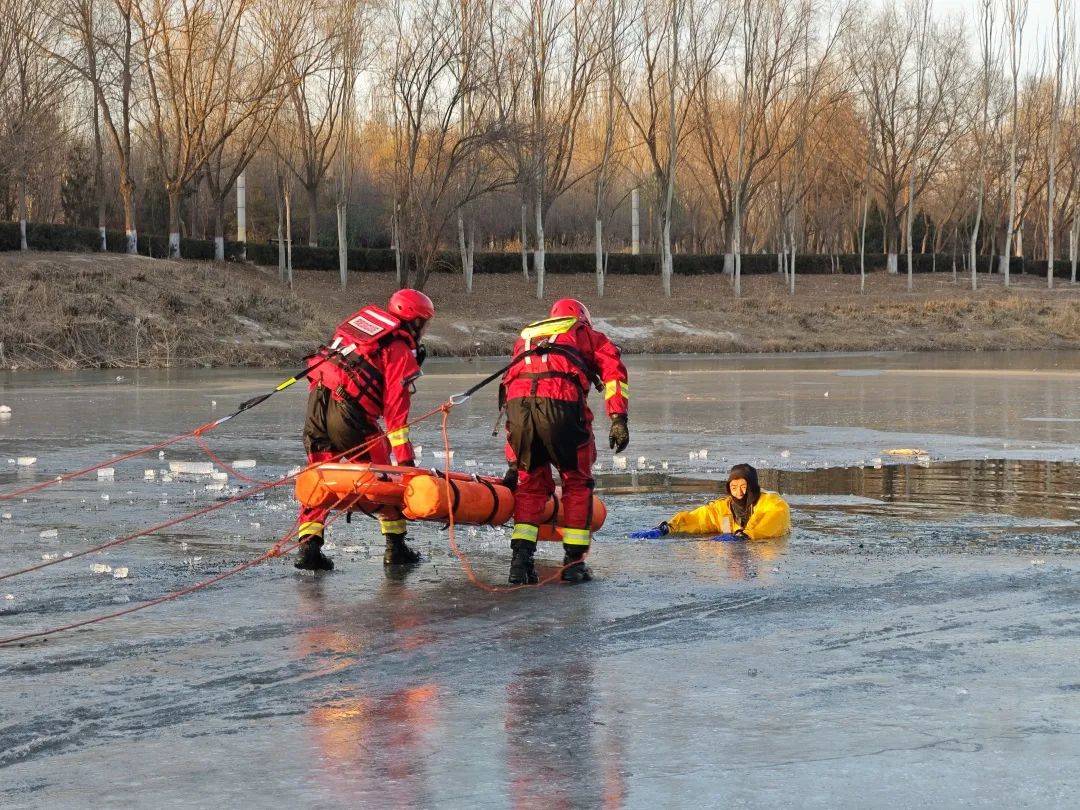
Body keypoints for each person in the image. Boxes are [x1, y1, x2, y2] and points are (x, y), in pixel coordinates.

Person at [294, 289, 435, 571]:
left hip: (317, 407)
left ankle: (309, 546)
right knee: (384, 479)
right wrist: (405, 464)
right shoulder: (396, 348)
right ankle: (396, 546)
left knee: (320, 478)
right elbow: (396, 412)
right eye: (424, 323)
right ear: (415, 321)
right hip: (351, 419)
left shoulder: (358, 333)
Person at [500, 298, 630, 585]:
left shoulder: (526, 338)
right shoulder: (586, 334)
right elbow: (613, 375)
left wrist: (513, 460)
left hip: (520, 413)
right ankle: (574, 564)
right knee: (576, 482)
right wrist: (618, 417)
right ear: (583, 318)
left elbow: (511, 392)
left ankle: (520, 565)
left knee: (529, 485)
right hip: (561, 408)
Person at [630, 464, 790, 541]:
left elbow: (771, 521)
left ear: (752, 486)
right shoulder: (724, 508)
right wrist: (667, 528)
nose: (739, 493)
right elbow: (698, 518)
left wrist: (745, 536)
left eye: (743, 486)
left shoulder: (772, 503)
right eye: (733, 487)